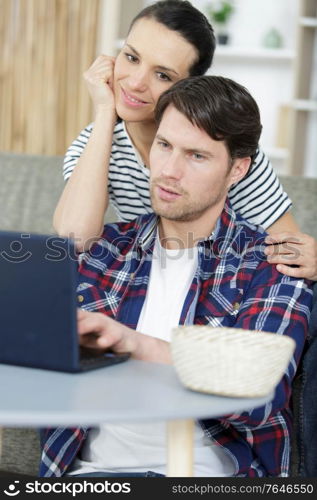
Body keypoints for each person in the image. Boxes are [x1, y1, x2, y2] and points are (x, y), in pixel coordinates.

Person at [40, 75, 313, 478]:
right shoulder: (103, 251)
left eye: (196, 156)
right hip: (85, 478)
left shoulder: (272, 264)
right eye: (164, 146)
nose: (168, 171)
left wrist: (132, 344)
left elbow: (260, 393)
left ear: (237, 169)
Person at [52, 0, 317, 280]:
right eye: (131, 57)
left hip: (223, 287)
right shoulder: (97, 143)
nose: (135, 82)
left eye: (162, 75)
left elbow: (291, 252)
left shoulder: (224, 150)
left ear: (189, 85)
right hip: (150, 282)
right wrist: (105, 111)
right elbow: (75, 237)